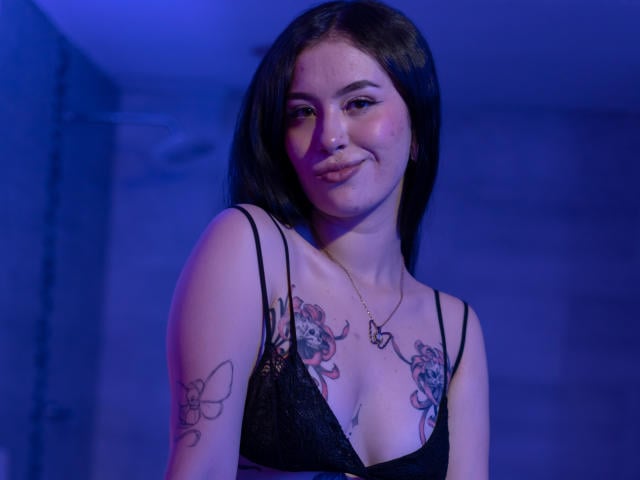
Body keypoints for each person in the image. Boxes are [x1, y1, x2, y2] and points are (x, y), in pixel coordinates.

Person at [164, 1, 489, 479]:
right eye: (302, 112)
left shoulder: (456, 330)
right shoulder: (251, 249)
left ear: (417, 130)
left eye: (358, 103)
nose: (330, 136)